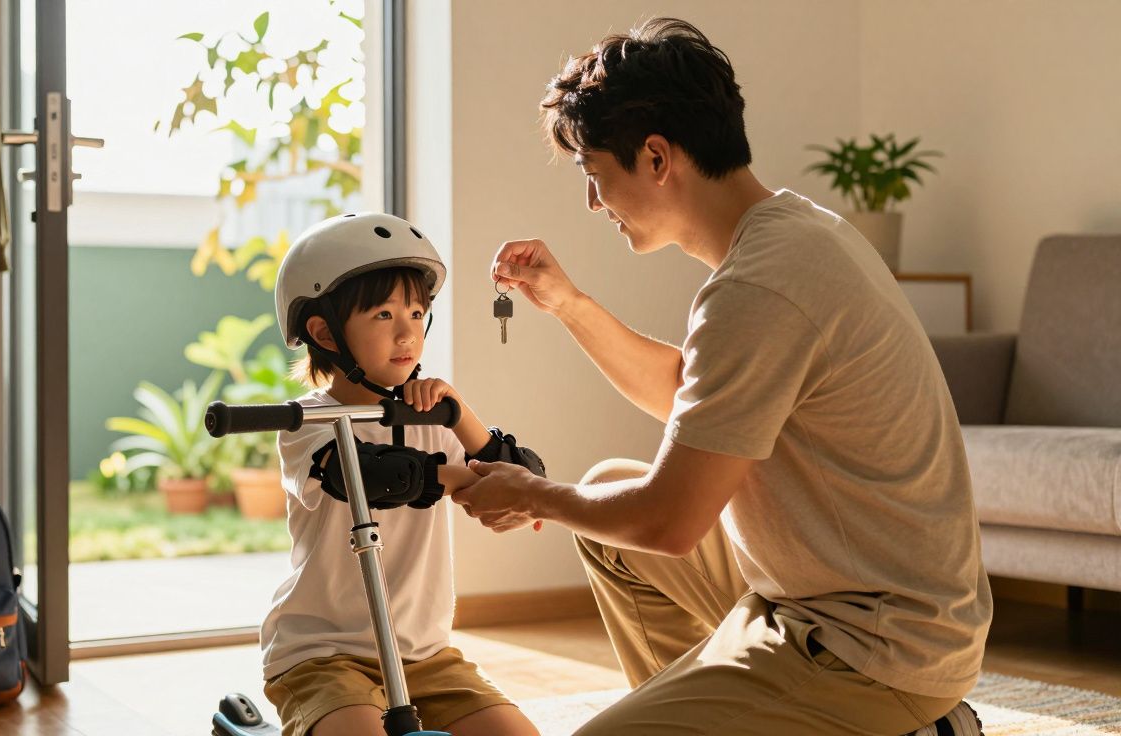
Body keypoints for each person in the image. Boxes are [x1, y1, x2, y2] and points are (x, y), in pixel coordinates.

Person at [452, 18, 991, 736]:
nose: (592, 203)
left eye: (595, 176)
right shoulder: (795, 234)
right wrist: (570, 306)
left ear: (654, 157)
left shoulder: (761, 286)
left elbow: (671, 522)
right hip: (819, 599)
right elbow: (692, 393)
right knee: (612, 504)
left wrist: (534, 493)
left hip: (874, 647)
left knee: (620, 517)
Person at [259, 212, 544, 736]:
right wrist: (459, 480)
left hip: (426, 656)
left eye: (417, 311)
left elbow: (521, 480)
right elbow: (370, 479)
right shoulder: (308, 422)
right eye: (384, 315)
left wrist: (461, 414)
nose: (408, 330)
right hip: (324, 655)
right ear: (324, 332)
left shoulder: (432, 418)